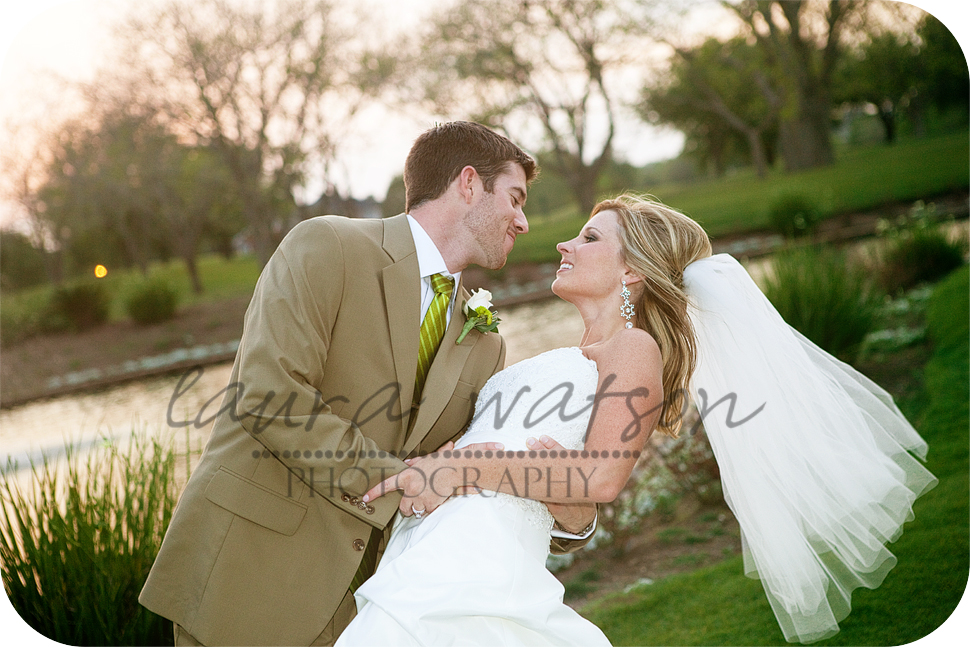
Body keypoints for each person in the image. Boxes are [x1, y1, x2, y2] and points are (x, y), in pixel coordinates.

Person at [337, 194, 936, 646]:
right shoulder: (566, 356)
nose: (564, 247)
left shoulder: (634, 350)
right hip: (442, 542)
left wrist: (463, 467)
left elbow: (600, 478)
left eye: (589, 238)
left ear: (631, 273)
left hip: (472, 556)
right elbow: (574, 500)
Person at [138, 121, 597, 646]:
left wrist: (573, 512)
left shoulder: (484, 341)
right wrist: (398, 479)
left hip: (378, 609)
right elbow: (267, 392)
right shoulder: (327, 246)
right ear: (468, 184)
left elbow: (468, 467)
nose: (523, 222)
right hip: (252, 575)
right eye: (515, 199)